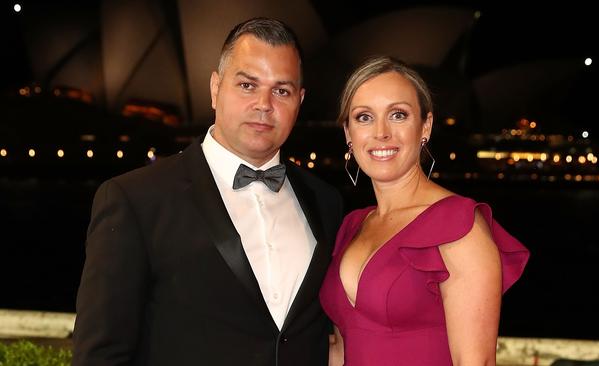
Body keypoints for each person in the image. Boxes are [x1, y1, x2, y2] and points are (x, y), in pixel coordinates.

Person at [73, 17, 342, 366]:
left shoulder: (326, 202)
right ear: (216, 88)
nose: (264, 103)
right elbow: (101, 355)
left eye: (282, 90)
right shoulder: (134, 199)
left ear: (300, 100)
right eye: (247, 85)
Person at [319, 56, 530, 366]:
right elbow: (340, 350)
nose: (381, 132)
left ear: (425, 126)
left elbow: (476, 362)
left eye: (398, 115)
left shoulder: (458, 225)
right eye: (364, 117)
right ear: (348, 134)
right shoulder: (352, 226)